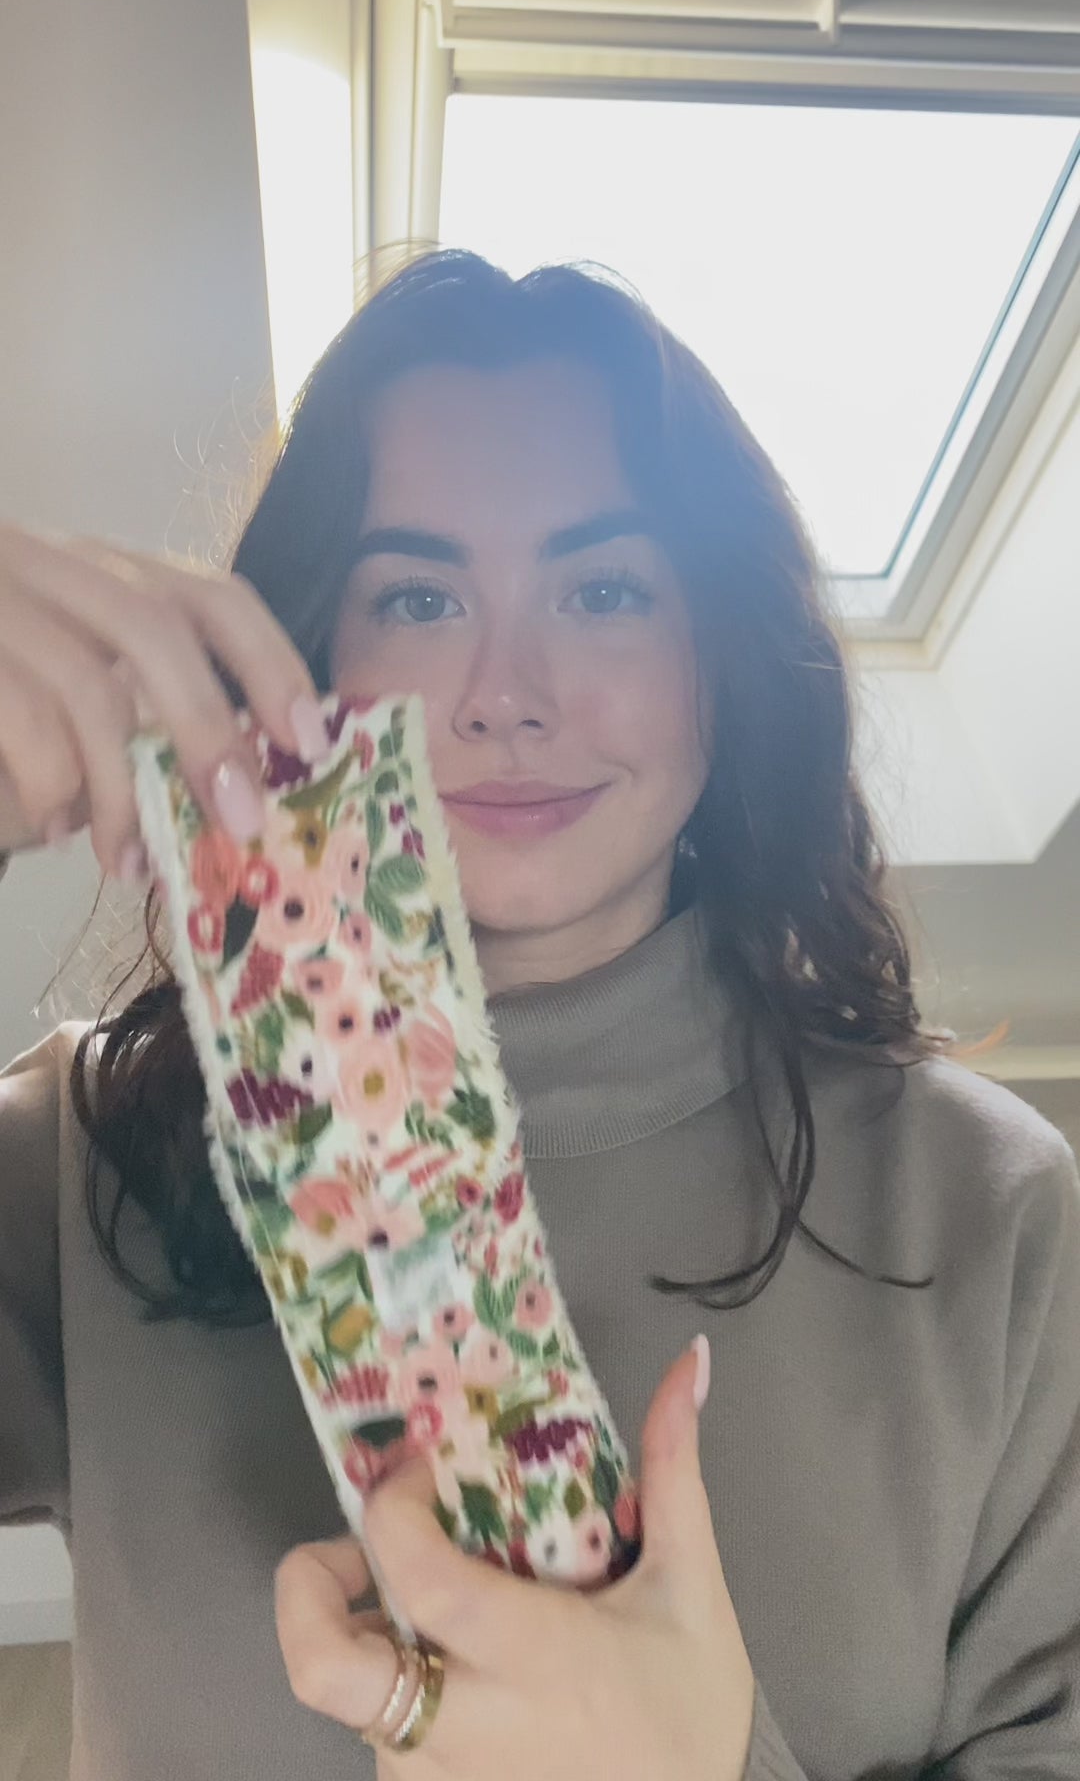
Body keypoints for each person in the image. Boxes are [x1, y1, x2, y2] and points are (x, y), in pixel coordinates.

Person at [1, 247, 1078, 1780]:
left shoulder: (997, 1213)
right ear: (307, 655)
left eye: (606, 590)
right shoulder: (76, 1156)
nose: (506, 691)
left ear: (721, 656)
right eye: (419, 596)